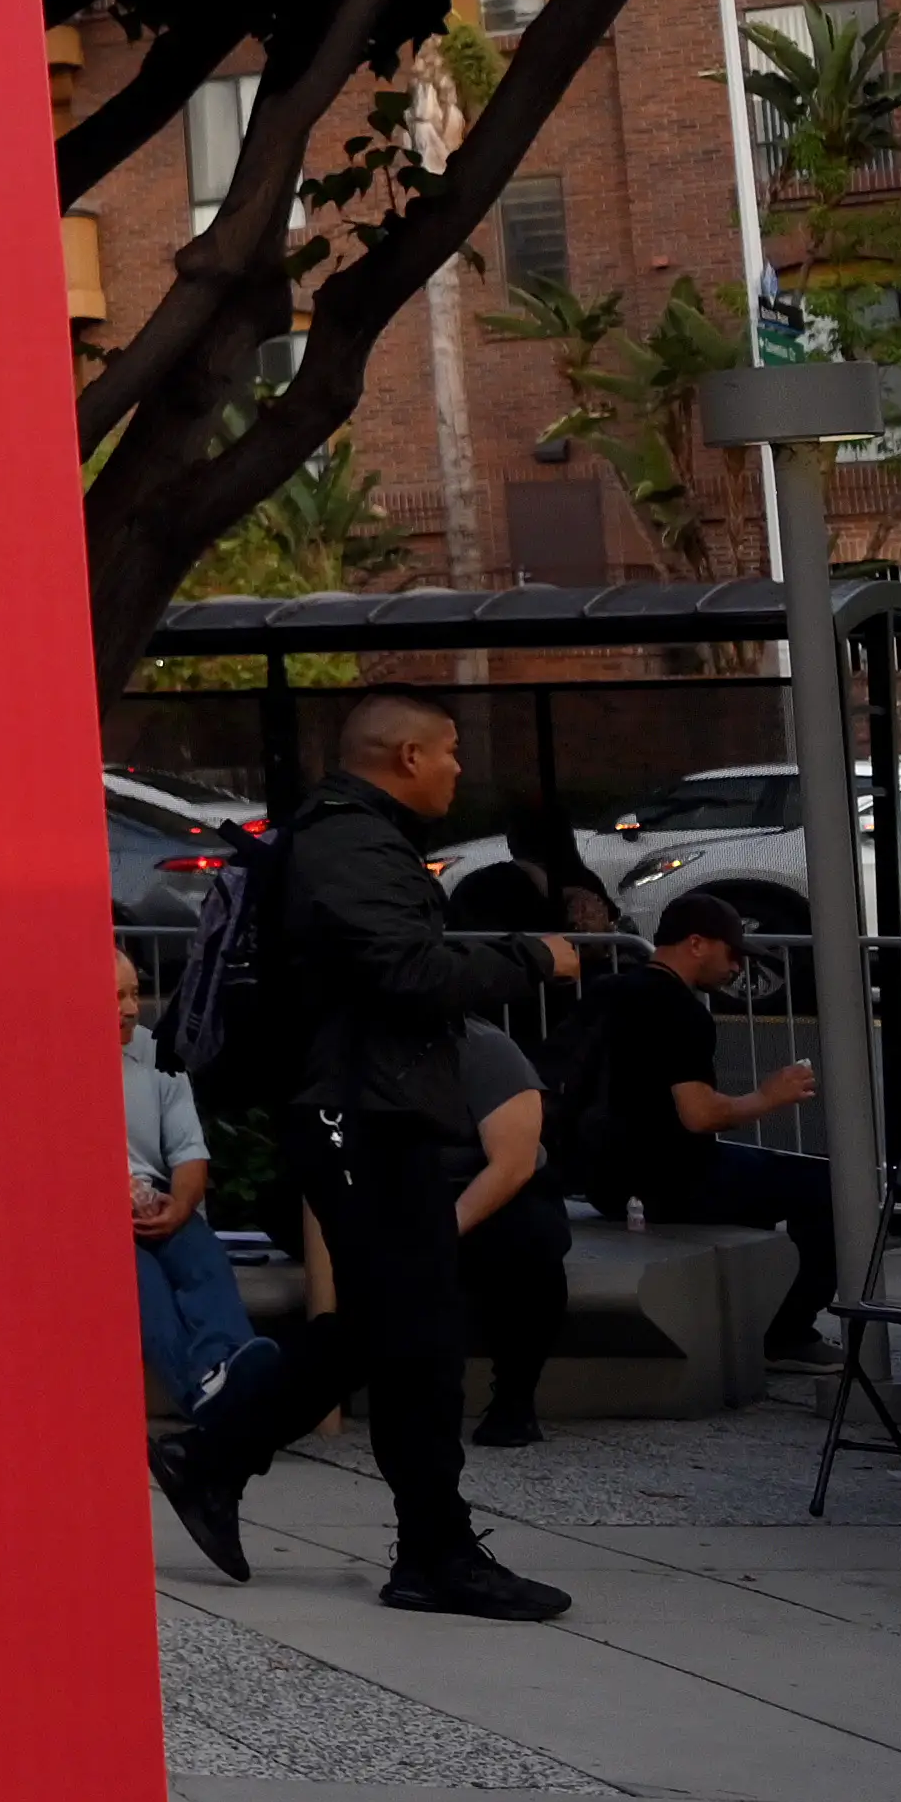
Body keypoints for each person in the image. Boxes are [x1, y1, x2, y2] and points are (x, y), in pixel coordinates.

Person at [153, 688, 579, 1619]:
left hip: (370, 1109)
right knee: (416, 1332)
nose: (461, 769)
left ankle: (219, 1455)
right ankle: (432, 1553)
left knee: (401, 1320)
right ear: (407, 757)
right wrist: (534, 960)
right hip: (353, 1114)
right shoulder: (348, 841)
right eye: (453, 751)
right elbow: (408, 973)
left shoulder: (354, 836)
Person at [568, 909, 839, 1368]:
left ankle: (756, 1313)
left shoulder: (605, 991)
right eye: (732, 953)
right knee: (829, 1188)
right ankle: (790, 1332)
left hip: (603, 1177)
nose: (737, 968)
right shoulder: (681, 1010)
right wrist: (769, 1096)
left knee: (763, 1175)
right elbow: (699, 1116)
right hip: (672, 1180)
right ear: (697, 943)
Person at [125, 948, 273, 1427]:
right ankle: (200, 1393)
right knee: (143, 1282)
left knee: (198, 1252)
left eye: (134, 993)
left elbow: (190, 1151)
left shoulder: (156, 1052)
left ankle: (230, 1364)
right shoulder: (46, 1059)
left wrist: (180, 1204)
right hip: (87, 1216)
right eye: (115, 997)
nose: (132, 1008)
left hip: (154, 1198)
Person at [459, 1021, 572, 1449]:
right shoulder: (351, 1045)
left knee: (533, 1241)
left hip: (490, 1187)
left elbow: (512, 1166)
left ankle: (514, 1399)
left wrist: (438, 1231)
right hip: (393, 1189)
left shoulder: (485, 1048)